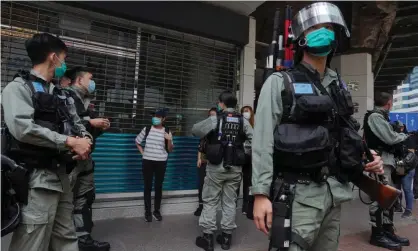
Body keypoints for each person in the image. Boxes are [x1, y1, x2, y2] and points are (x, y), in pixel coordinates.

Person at [251, 3, 384, 251]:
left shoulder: (338, 86)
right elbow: (262, 141)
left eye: (327, 28)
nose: (323, 32)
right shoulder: (281, 83)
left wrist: (366, 156)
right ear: (301, 38)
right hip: (298, 197)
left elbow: (343, 132)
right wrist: (260, 194)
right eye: (315, 28)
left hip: (334, 196)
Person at [2, 33, 92, 251]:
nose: (65, 64)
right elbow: (23, 129)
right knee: (32, 242)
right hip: (38, 181)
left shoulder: (62, 94)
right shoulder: (18, 88)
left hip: (64, 178)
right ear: (54, 57)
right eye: (64, 58)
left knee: (66, 239)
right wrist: (70, 141)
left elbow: (79, 124)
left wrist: (85, 143)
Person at [192, 91, 253, 251]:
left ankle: (208, 238)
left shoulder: (215, 119)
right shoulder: (242, 121)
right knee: (229, 202)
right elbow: (254, 141)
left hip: (215, 168)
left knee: (210, 201)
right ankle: (226, 238)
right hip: (235, 168)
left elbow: (195, 130)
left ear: (221, 104)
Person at [66, 66, 111, 251]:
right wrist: (90, 122)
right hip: (71, 160)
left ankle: (83, 239)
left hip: (86, 161)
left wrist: (97, 127)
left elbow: (86, 131)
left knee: (84, 199)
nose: (92, 83)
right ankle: (65, 241)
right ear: (79, 80)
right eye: (90, 78)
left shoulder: (85, 101)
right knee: (65, 202)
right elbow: (67, 124)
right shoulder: (66, 97)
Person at [363, 92, 410, 249]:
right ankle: (377, 235)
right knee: (380, 198)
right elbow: (390, 138)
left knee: (389, 198)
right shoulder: (376, 116)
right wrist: (404, 135)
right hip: (379, 161)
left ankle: (387, 231)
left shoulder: (381, 116)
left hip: (386, 161)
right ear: (389, 103)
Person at [135, 108, 173, 222]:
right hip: (147, 161)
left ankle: (156, 211)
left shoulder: (167, 131)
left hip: (161, 162)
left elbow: (170, 150)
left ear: (163, 119)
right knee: (147, 187)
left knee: (158, 187)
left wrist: (169, 140)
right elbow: (137, 141)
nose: (155, 118)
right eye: (154, 116)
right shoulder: (147, 129)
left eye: (157, 116)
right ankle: (147, 212)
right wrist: (143, 154)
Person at [195, 107, 218, 217]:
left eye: (213, 115)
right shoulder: (205, 129)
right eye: (210, 115)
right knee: (201, 184)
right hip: (204, 161)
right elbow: (200, 146)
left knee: (212, 187)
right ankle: (201, 206)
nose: (211, 117)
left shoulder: (219, 129)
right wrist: (199, 158)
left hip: (214, 162)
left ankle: (210, 208)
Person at [235, 105, 254, 215]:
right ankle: (233, 204)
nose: (245, 113)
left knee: (248, 182)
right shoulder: (239, 124)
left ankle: (246, 206)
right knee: (236, 180)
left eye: (247, 111)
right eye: (243, 112)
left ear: (251, 112)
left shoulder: (255, 125)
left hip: (250, 156)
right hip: (239, 155)